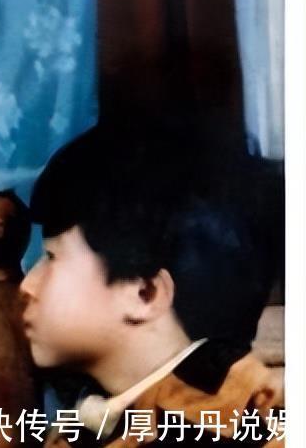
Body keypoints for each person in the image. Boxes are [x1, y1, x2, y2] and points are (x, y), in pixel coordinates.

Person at [20, 123, 283, 447]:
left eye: (51, 257)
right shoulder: (90, 420)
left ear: (145, 293)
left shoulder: (243, 411)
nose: (27, 286)